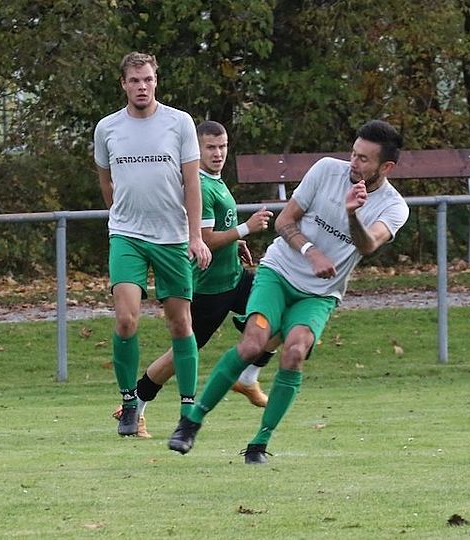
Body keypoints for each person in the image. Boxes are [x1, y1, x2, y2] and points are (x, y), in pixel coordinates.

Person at [168, 119, 409, 464]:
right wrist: (311, 252)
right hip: (278, 273)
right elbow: (284, 221)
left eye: (364, 159)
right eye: (353, 154)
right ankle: (191, 422)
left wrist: (352, 215)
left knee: (294, 352)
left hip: (320, 294)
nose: (353, 163)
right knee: (253, 344)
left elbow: (368, 246)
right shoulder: (326, 170)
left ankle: (259, 443)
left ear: (386, 167)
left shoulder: (394, 206)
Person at [111, 120, 278, 438]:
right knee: (180, 355)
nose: (218, 153)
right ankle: (135, 407)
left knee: (281, 312)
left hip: (234, 278)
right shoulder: (198, 186)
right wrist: (246, 228)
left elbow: (217, 232)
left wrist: (235, 242)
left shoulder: (215, 180)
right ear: (196, 150)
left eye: (223, 146)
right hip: (209, 289)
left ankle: (248, 377)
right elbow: (203, 239)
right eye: (210, 147)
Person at [94, 51, 212, 436]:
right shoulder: (107, 128)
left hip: (172, 238)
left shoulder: (179, 123)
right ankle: (130, 404)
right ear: (123, 84)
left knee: (180, 323)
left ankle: (188, 409)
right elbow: (106, 181)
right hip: (126, 236)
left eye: (147, 79)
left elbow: (192, 182)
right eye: (134, 81)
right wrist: (121, 217)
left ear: (156, 81)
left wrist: (195, 236)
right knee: (126, 320)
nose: (141, 87)